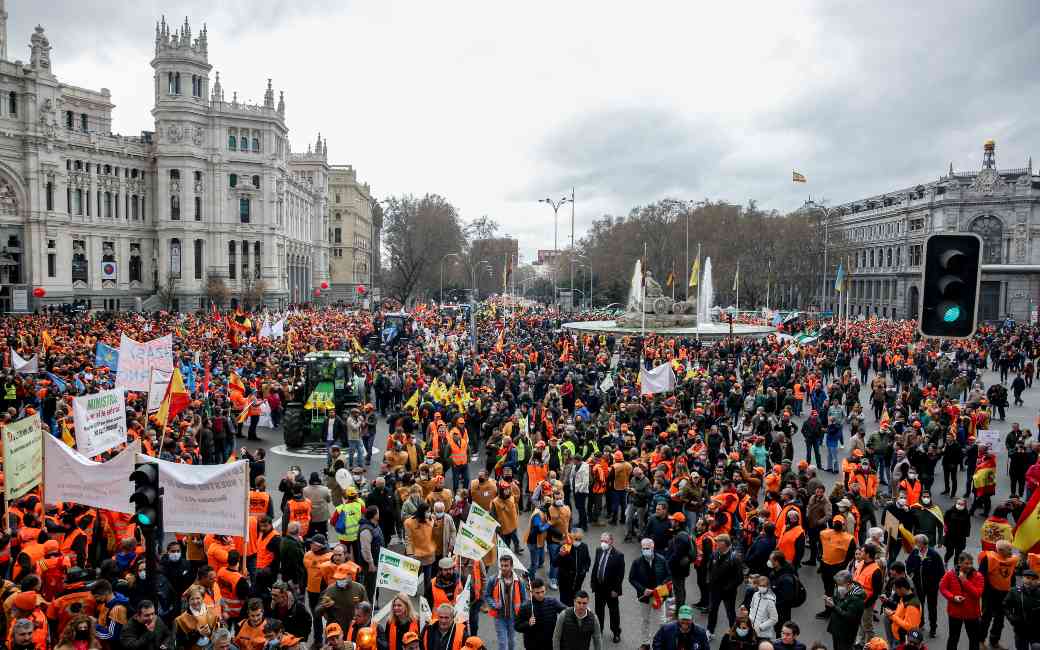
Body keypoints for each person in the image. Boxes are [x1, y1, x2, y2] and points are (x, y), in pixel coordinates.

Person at [629, 537, 669, 647]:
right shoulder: (637, 562)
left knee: (661, 621)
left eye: (647, 548)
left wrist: (660, 587)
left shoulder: (662, 560)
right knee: (645, 620)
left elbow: (669, 576)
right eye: (643, 548)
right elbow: (632, 578)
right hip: (644, 597)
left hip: (659, 596)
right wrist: (642, 589)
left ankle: (661, 643)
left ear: (653, 547)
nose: (645, 550)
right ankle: (645, 643)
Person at [939, 552, 984, 650]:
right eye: (967, 563)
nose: (970, 566)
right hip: (955, 613)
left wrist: (964, 581)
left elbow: (978, 594)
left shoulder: (978, 576)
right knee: (953, 638)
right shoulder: (950, 574)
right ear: (959, 563)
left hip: (972, 614)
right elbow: (942, 588)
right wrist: (953, 597)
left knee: (974, 639)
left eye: (971, 563)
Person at [979, 539, 1018, 648]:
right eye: (1009, 550)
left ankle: (994, 640)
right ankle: (980, 640)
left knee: (1000, 619)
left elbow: (1012, 575)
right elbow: (982, 577)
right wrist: (986, 593)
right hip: (990, 593)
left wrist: (1013, 590)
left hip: (1004, 593)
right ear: (1000, 550)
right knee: (986, 617)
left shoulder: (1010, 560)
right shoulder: (988, 558)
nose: (1011, 552)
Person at [485, 554, 529, 650]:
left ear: (511, 566)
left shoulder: (519, 581)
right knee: (502, 643)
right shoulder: (493, 579)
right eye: (502, 565)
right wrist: (493, 604)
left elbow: (525, 599)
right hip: (499, 617)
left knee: (512, 642)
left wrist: (522, 612)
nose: (503, 568)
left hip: (514, 617)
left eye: (506, 565)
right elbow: (487, 595)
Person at [904, 535, 943, 638]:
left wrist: (935, 582)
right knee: (919, 606)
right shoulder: (915, 552)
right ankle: (920, 623)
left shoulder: (933, 554)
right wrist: (911, 574)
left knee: (932, 607)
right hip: (918, 586)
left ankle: (933, 628)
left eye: (917, 543)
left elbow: (941, 571)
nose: (915, 545)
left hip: (931, 587)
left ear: (923, 544)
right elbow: (908, 564)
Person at [590, 532, 625, 644]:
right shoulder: (598, 551)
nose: (603, 543)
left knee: (613, 612)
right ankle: (598, 631)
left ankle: (616, 632)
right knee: (599, 611)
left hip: (611, 590)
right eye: (601, 541)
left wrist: (616, 590)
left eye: (605, 541)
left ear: (611, 541)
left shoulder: (618, 555)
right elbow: (596, 567)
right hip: (599, 588)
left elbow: (620, 575)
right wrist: (593, 582)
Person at [707, 534, 745, 638]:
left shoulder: (735, 558)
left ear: (724, 543)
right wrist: (710, 582)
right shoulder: (714, 554)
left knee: (730, 613)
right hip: (715, 590)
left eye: (718, 541)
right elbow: (710, 568)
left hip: (728, 593)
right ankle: (710, 631)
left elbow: (739, 578)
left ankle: (734, 633)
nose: (716, 543)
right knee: (712, 611)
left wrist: (727, 588)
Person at [516, 577, 566, 649]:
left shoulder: (552, 602)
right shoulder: (525, 607)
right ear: (531, 592)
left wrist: (582, 610)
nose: (540, 595)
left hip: (549, 643)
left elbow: (567, 611)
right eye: (537, 593)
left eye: (542, 591)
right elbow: (517, 626)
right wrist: (528, 623)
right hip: (532, 645)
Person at [825, 570, 865, 650]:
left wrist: (833, 606)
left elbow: (848, 616)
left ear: (847, 584)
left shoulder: (856, 599)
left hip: (845, 633)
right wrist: (832, 600)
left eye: (840, 585)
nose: (837, 587)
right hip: (837, 630)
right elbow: (839, 603)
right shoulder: (844, 591)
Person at [1004, 568, 1040, 650]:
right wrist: (1011, 618)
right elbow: (1006, 606)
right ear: (1022, 578)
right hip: (1021, 630)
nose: (1029, 581)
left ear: (1037, 581)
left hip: (1037, 630)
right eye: (1027, 578)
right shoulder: (1014, 591)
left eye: (1033, 579)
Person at [881, 577, 921, 647]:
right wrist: (893, 612)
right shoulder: (905, 598)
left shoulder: (912, 605)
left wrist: (892, 616)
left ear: (902, 588)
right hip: (897, 638)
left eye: (895, 589)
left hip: (902, 641)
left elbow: (910, 627)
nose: (895, 592)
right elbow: (902, 614)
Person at [556, 528, 591, 606]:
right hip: (565, 582)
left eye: (579, 539)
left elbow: (587, 561)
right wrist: (560, 555)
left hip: (577, 582)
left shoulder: (584, 547)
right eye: (575, 539)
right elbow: (555, 563)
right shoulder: (564, 546)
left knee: (576, 602)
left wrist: (584, 570)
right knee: (564, 603)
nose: (577, 541)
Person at [665, 513, 693, 608]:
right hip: (681, 567)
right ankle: (680, 606)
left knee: (678, 589)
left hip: (678, 568)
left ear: (677, 522)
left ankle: (680, 609)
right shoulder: (681, 532)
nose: (671, 521)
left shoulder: (681, 536)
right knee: (680, 587)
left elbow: (677, 554)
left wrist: (669, 562)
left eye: (673, 520)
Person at [747, 575, 779, 640]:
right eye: (760, 585)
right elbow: (751, 608)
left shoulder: (770, 601)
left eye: (764, 586)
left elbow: (774, 619)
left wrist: (761, 627)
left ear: (768, 586)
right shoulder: (755, 595)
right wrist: (749, 622)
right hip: (752, 631)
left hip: (763, 635)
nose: (761, 587)